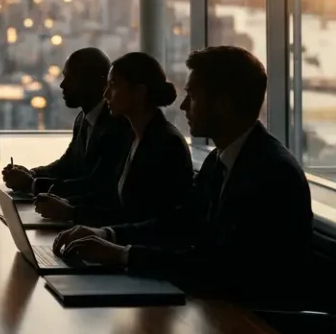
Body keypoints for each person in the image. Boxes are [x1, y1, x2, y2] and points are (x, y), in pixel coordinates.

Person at [53, 46, 313, 310]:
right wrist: (108, 234)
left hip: (247, 319)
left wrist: (124, 255)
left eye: (193, 96)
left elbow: (218, 267)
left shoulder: (272, 174)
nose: (184, 105)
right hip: (213, 305)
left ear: (222, 104)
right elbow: (181, 221)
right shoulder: (221, 160)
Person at [34, 52, 193, 227]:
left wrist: (72, 212)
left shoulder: (166, 144)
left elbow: (142, 217)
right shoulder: (137, 136)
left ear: (139, 92)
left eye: (113, 85)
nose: (106, 94)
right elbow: (114, 200)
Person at [0, 47, 132, 199]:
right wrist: (31, 174)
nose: (62, 85)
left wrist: (32, 184)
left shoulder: (116, 126)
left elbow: (96, 184)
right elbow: (67, 165)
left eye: (71, 78)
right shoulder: (83, 118)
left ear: (94, 82)